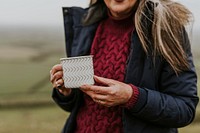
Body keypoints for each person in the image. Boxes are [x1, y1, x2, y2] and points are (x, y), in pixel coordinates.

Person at [50, 0, 199, 132]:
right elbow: (78, 106)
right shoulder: (86, 24)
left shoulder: (166, 29)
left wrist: (131, 97)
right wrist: (67, 92)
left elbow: (184, 109)